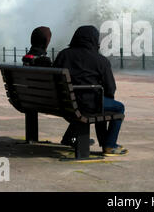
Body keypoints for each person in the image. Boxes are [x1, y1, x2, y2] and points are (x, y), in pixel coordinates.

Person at [53, 26, 127, 156]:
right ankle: (109, 145)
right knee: (118, 107)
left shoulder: (63, 54)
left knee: (91, 104)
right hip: (87, 105)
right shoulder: (100, 60)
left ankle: (70, 138)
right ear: (94, 40)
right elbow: (110, 88)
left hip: (64, 104)